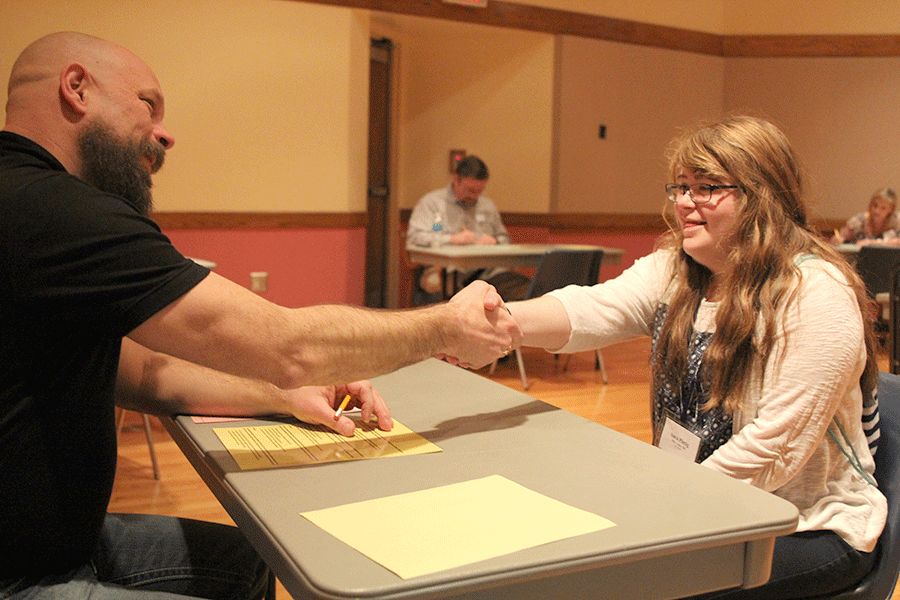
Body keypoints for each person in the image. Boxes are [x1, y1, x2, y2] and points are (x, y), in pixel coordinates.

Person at [0, 32, 521, 600]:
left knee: (251, 563)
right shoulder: (53, 209)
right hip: (23, 576)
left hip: (57, 543)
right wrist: (445, 325)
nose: (165, 133)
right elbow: (289, 344)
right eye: (149, 105)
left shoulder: (27, 204)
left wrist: (284, 394)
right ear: (76, 88)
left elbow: (142, 372)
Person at [506, 116, 886, 599]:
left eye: (707, 188)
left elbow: (772, 450)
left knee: (624, 585)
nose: (685, 202)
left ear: (761, 196)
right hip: (702, 506)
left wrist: (657, 515)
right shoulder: (680, 267)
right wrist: (497, 322)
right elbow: (590, 309)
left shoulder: (814, 294)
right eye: (681, 187)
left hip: (806, 526)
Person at [406, 155, 531, 302]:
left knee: (525, 290)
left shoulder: (487, 206)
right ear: (456, 179)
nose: (474, 196)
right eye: (470, 190)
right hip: (444, 270)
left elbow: (505, 239)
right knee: (443, 286)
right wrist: (451, 239)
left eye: (479, 191)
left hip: (487, 270)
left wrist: (495, 241)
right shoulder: (433, 204)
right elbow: (415, 237)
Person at [831, 187, 900, 246]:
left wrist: (872, 243)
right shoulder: (858, 221)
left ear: (891, 209)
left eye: (883, 208)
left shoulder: (897, 221)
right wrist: (837, 239)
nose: (877, 211)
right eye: (875, 205)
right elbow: (841, 236)